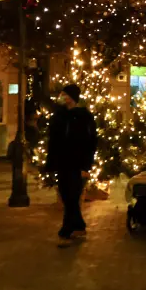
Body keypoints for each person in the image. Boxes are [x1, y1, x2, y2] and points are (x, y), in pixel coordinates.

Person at [46, 84, 97, 245]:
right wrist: (51, 161)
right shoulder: (59, 116)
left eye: (65, 94)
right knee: (66, 194)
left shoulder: (84, 117)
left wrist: (85, 166)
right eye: (62, 94)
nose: (62, 97)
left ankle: (66, 229)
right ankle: (79, 225)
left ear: (73, 97)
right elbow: (53, 140)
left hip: (76, 162)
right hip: (62, 161)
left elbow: (90, 142)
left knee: (72, 195)